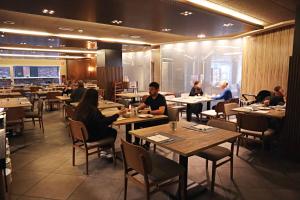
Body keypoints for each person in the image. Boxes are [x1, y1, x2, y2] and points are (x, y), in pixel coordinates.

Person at [133, 82, 169, 149]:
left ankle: (147, 144)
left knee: (149, 124)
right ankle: (136, 142)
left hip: (162, 119)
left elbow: (161, 111)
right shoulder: (150, 97)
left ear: (157, 90)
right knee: (137, 123)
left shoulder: (161, 98)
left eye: (152, 89)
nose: (150, 91)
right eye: (149, 89)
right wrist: (136, 109)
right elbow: (143, 105)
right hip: (153, 118)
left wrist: (149, 112)